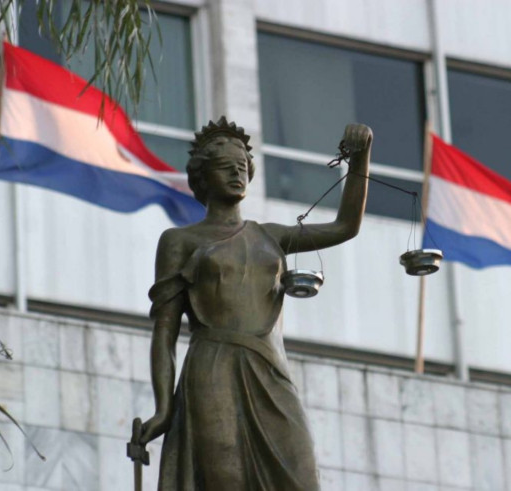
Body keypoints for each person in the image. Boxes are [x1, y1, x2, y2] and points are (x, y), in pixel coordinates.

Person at [134, 116, 372, 489]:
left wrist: (360, 159)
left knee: (301, 479)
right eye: (225, 166)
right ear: (202, 177)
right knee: (225, 479)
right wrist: (163, 408)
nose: (236, 173)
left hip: (269, 367)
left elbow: (345, 227)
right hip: (213, 368)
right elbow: (165, 332)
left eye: (242, 166)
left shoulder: (270, 235)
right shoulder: (179, 241)